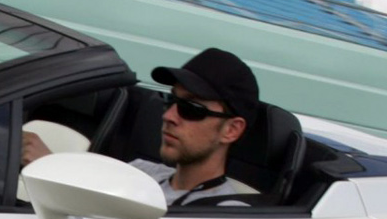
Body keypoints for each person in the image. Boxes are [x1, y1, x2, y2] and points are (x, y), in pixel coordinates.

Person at [21, 47, 261, 208]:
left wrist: (49, 167)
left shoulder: (229, 214)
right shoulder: (141, 172)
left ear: (231, 130)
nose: (169, 116)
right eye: (171, 101)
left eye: (191, 108)